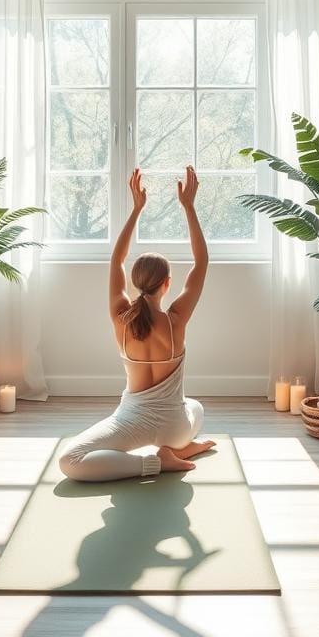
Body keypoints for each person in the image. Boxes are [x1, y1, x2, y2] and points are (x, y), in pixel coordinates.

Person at [58, 166, 216, 482]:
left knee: (70, 460)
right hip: (176, 427)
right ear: (167, 284)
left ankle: (156, 464)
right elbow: (201, 262)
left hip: (131, 423)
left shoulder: (121, 317)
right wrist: (188, 206)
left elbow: (115, 260)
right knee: (195, 407)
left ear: (135, 282)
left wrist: (136, 210)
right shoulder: (176, 321)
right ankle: (177, 450)